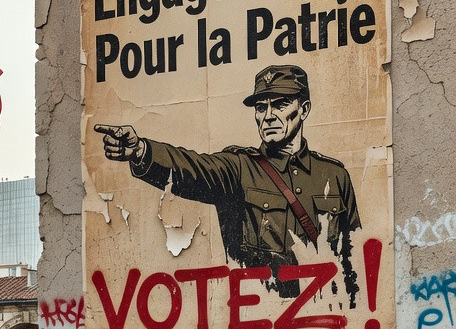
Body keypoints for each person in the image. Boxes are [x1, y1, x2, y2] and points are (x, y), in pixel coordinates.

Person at [95, 64, 361, 298]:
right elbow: (192, 168)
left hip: (326, 315)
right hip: (258, 317)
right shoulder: (238, 168)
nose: (267, 116)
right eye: (261, 107)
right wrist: (142, 151)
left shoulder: (334, 175)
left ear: (303, 110)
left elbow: (354, 257)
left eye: (280, 104)